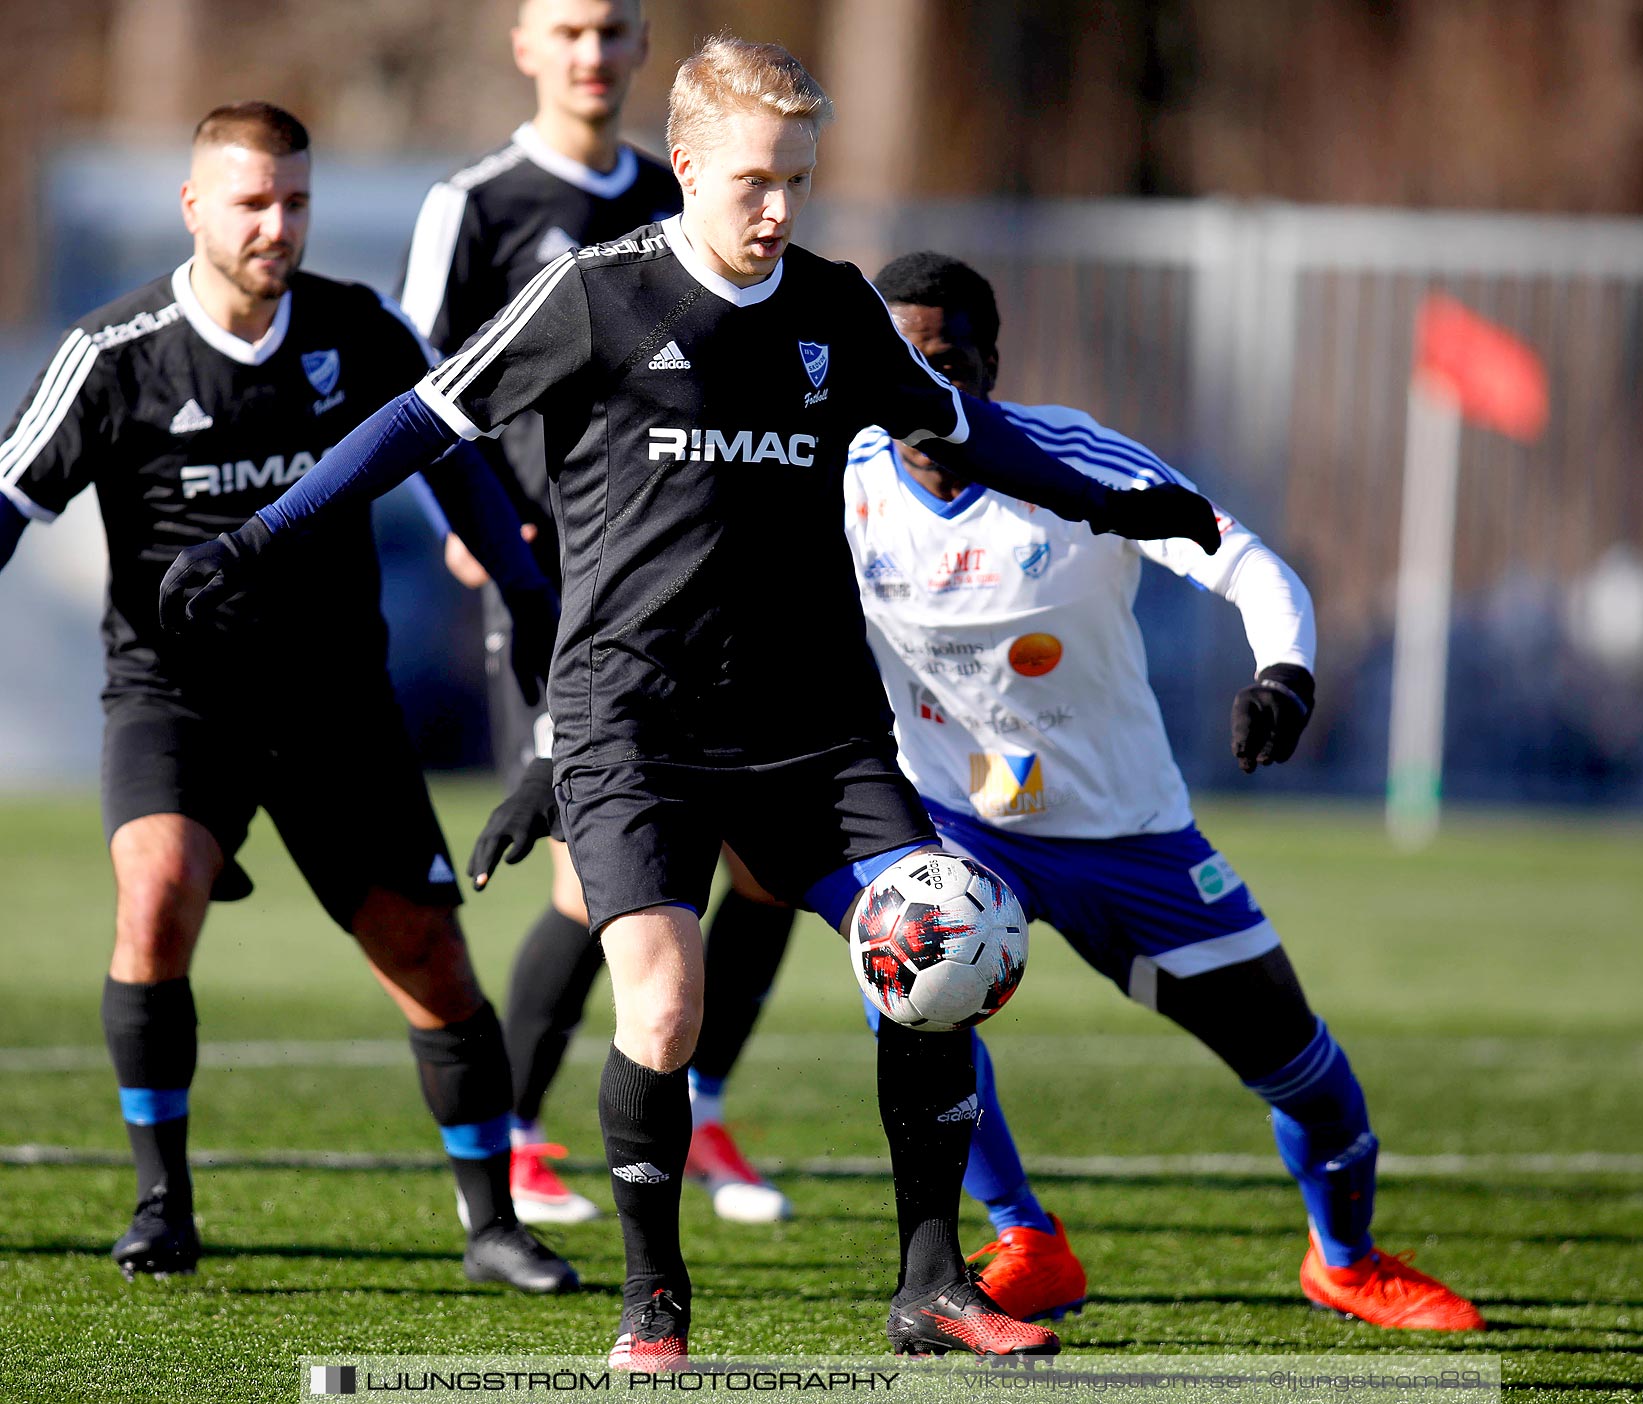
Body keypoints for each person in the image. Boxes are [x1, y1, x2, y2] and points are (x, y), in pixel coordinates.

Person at [159, 40, 1221, 1362]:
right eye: (757, 183)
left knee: (940, 954)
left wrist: (1122, 505)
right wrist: (263, 534)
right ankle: (653, 1295)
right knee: (663, 1004)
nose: (780, 210)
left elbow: (968, 430)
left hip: (814, 726)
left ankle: (934, 1286)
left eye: (801, 182)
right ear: (696, 170)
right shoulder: (598, 296)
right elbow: (417, 421)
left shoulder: (834, 307)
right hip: (631, 723)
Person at [837, 251, 1486, 1332]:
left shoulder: (1070, 458)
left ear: (988, 366)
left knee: (1299, 1066)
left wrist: (1284, 672)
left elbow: (1246, 563)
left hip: (1127, 834)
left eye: (940, 360)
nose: (915, 387)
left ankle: (1347, 1259)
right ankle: (1026, 1240)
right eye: (894, 362)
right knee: (901, 983)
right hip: (956, 822)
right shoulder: (842, 481)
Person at [0, 102, 576, 1295]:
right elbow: (9, 502)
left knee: (429, 958)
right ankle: (162, 1203)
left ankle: (490, 1224)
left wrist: (529, 597)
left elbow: (456, 461)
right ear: (195, 207)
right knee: (154, 893)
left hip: (336, 707)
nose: (278, 225)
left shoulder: (362, 333)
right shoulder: (114, 354)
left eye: (297, 202)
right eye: (253, 201)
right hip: (175, 700)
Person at [398, 0, 791, 1227]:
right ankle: (515, 1134)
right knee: (589, 878)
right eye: (568, 29)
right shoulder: (478, 203)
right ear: (524, 44)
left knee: (761, 866)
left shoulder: (683, 193)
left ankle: (701, 1103)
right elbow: (420, 389)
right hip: (550, 577)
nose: (593, 52)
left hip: (693, 583)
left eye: (616, 30)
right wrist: (466, 531)